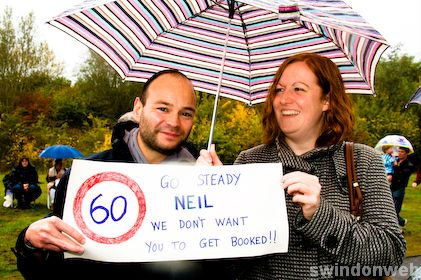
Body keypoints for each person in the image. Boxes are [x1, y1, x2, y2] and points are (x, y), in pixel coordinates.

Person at [198, 53, 406, 278]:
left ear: (326, 100)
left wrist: (320, 214)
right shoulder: (250, 162)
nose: (284, 99)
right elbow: (227, 267)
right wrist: (217, 201)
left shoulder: (363, 161)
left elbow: (391, 253)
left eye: (298, 89)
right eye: (279, 90)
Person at [13, 69, 227, 280]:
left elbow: (222, 270)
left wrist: (221, 200)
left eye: (186, 113)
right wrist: (29, 244)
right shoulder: (86, 176)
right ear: (138, 109)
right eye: (163, 108)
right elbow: (51, 270)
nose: (174, 122)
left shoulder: (207, 181)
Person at [391, 147, 416, 227]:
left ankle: (397, 226)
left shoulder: (409, 165)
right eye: (399, 151)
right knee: (390, 208)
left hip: (399, 188)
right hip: (391, 186)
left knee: (395, 210)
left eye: (402, 152)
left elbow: (401, 177)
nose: (399, 153)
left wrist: (395, 167)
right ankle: (401, 222)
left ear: (406, 153)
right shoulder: (395, 160)